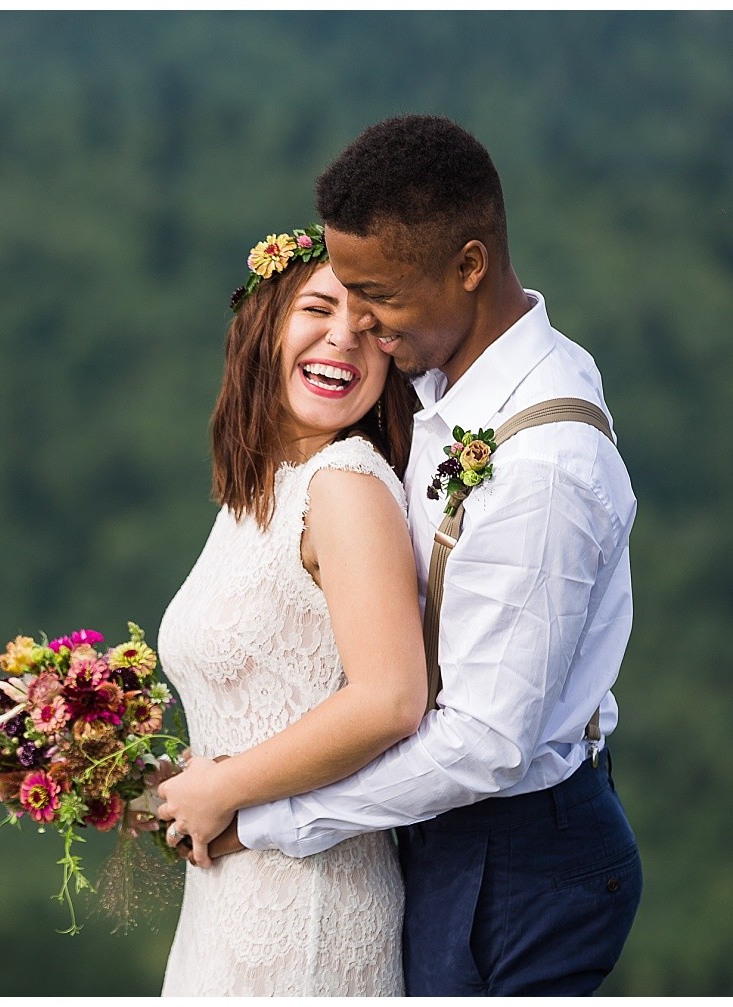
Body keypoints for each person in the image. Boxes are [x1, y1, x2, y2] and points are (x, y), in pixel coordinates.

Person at [161, 114, 643, 996]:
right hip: (437, 831)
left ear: (469, 266)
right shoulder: (446, 373)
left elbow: (483, 746)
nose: (361, 328)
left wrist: (267, 814)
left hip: (519, 853)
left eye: (375, 296)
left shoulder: (541, 468)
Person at [154, 223, 428, 996]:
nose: (344, 338)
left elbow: (391, 697)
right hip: (226, 904)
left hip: (310, 909)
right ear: (264, 324)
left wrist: (225, 787)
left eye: (371, 326)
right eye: (318, 308)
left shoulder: (344, 484)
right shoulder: (260, 491)